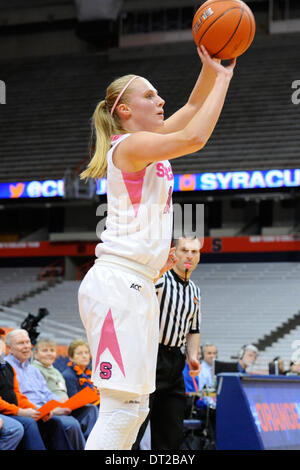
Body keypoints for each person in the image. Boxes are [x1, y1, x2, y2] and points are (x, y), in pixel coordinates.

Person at [78, 45, 236, 450]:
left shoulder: (147, 140)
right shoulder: (127, 147)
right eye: (149, 95)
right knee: (122, 411)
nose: (160, 99)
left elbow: (193, 104)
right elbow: (196, 136)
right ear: (124, 111)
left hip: (140, 285)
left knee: (135, 409)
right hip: (118, 286)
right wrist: (223, 80)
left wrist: (213, 69)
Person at [134, 236, 202, 450]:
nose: (189, 255)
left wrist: (192, 357)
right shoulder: (160, 279)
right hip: (151, 356)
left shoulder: (195, 291)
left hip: (175, 361)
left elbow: (194, 329)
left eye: (194, 251)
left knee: (171, 431)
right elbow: (136, 299)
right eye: (184, 250)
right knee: (137, 426)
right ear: (174, 252)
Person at [5, 329, 86, 450]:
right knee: (68, 423)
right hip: (28, 410)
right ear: (9, 348)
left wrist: (59, 402)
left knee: (90, 409)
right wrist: (38, 409)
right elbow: (14, 396)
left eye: (27, 342)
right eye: (21, 343)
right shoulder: (7, 367)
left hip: (45, 409)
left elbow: (46, 392)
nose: (26, 346)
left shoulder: (33, 370)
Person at [32, 338, 98, 440]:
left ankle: (93, 443)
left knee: (91, 409)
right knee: (73, 424)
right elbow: (40, 395)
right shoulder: (35, 369)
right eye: (45, 351)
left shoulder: (56, 371)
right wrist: (54, 409)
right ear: (35, 354)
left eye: (52, 351)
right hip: (52, 409)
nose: (49, 354)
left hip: (66, 408)